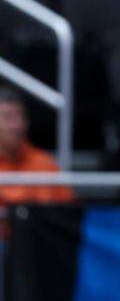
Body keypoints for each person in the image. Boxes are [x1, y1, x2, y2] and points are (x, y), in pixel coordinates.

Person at [0, 88, 74, 226]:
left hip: (37, 242)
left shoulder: (44, 163)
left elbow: (66, 211)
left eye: (20, 116)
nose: (17, 125)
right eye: (8, 117)